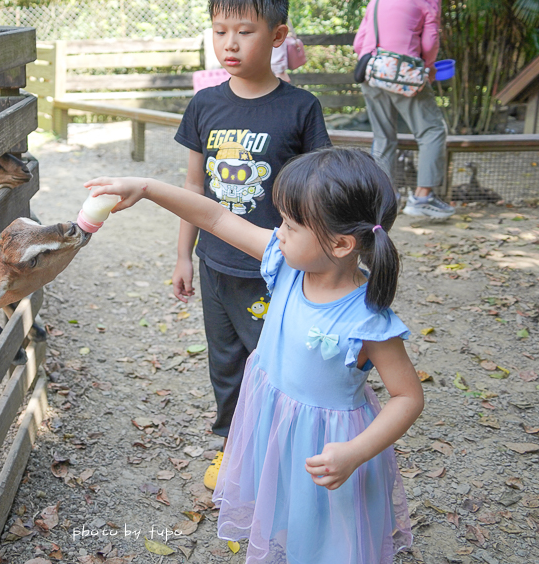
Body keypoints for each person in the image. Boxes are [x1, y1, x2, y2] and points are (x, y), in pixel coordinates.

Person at [85, 147, 422, 563]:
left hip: (329, 450)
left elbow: (407, 397)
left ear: (339, 244)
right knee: (284, 514)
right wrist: (147, 188)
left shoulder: (368, 320)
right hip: (273, 425)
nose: (278, 231)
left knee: (330, 538)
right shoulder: (286, 262)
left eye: (291, 224)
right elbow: (215, 217)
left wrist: (355, 453)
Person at [174, 0, 331, 492]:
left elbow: (318, 195)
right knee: (225, 364)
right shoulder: (204, 104)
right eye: (220, 31)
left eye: (245, 31)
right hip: (215, 265)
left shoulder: (301, 109)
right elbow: (195, 191)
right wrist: (182, 257)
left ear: (278, 35)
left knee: (274, 363)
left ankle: (279, 453)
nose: (230, 44)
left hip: (275, 269)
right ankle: (231, 449)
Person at [354, 0, 457, 218]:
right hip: (403, 76)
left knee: (383, 138)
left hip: (370, 71)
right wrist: (428, 67)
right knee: (432, 131)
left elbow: (358, 43)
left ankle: (384, 200)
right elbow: (430, 42)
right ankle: (422, 198)